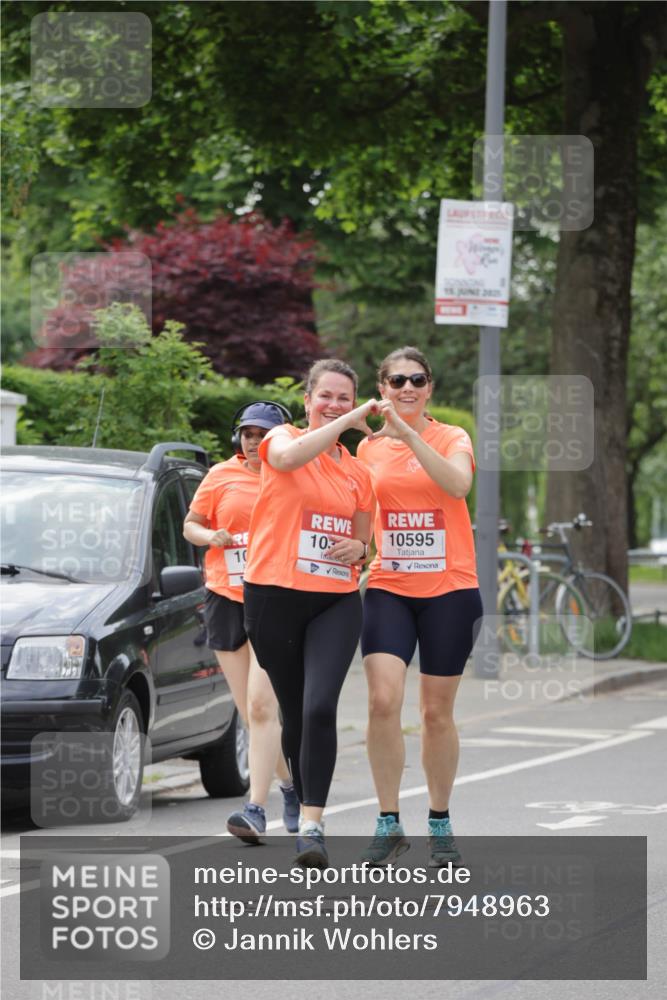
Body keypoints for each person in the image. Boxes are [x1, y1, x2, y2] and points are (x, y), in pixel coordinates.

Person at [242, 359, 376, 868]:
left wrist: (359, 548)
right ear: (307, 400)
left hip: (334, 600)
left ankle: (313, 826)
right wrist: (346, 423)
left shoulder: (358, 471)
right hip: (273, 596)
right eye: (326, 396)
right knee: (294, 711)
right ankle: (296, 796)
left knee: (320, 707)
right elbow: (291, 456)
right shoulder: (282, 439)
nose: (335, 405)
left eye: (345, 399)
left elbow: (365, 539)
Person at [356, 346, 482, 867]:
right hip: (390, 585)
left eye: (417, 379)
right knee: (382, 701)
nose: (407, 388)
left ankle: (439, 821)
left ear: (430, 388)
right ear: (382, 388)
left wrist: (408, 435)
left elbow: (458, 484)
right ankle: (388, 821)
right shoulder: (367, 449)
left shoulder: (452, 437)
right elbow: (361, 511)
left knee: (434, 713)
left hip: (450, 589)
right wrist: (355, 549)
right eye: (397, 380)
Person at [183, 401, 300, 842]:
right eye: (248, 434)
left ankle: (255, 808)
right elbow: (190, 524)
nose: (254, 442)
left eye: (263, 435)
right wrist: (209, 535)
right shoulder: (220, 475)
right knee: (251, 715)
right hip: (226, 597)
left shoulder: (294, 475)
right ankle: (290, 786)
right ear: (239, 438)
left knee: (263, 706)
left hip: (274, 599)